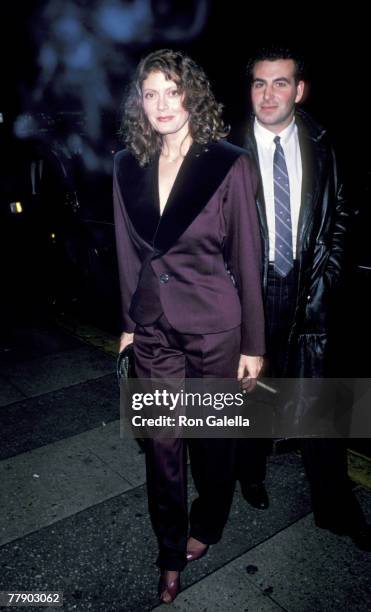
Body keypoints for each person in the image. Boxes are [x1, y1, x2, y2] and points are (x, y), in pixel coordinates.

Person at [113, 49, 265, 603]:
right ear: (139, 102)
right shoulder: (126, 164)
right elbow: (129, 254)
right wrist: (129, 325)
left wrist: (254, 343)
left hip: (215, 328)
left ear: (190, 95)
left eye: (171, 91)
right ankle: (170, 550)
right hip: (155, 330)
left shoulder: (227, 162)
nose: (160, 104)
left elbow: (247, 257)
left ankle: (209, 522)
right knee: (162, 445)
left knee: (214, 443)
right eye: (149, 93)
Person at [237, 46, 371, 550]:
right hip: (252, 287)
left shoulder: (322, 142)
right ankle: (249, 471)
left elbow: (340, 215)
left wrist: (327, 279)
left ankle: (333, 506)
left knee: (323, 400)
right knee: (252, 389)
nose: (267, 94)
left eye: (279, 83)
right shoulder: (227, 147)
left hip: (309, 285)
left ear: (299, 90)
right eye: (258, 83)